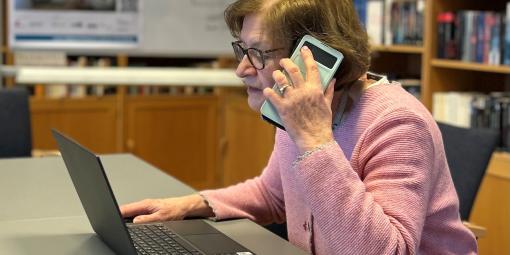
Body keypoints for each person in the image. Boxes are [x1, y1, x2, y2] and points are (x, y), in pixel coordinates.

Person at [121, 0, 478, 254]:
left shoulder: (398, 122)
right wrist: (193, 203)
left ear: (317, 57)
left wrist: (314, 140)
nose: (242, 69)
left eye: (258, 53)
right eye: (242, 50)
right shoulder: (299, 108)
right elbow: (272, 194)